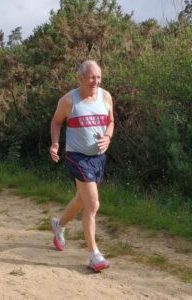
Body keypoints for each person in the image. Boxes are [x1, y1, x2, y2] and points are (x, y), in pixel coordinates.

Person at [50, 60, 114, 271]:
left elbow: (111, 121)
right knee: (92, 204)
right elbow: (56, 121)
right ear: (81, 78)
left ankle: (59, 226)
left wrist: (108, 137)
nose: (95, 81)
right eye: (91, 77)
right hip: (77, 157)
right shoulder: (69, 101)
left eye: (98, 77)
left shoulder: (105, 97)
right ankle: (94, 254)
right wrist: (55, 143)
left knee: (81, 200)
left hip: (98, 158)